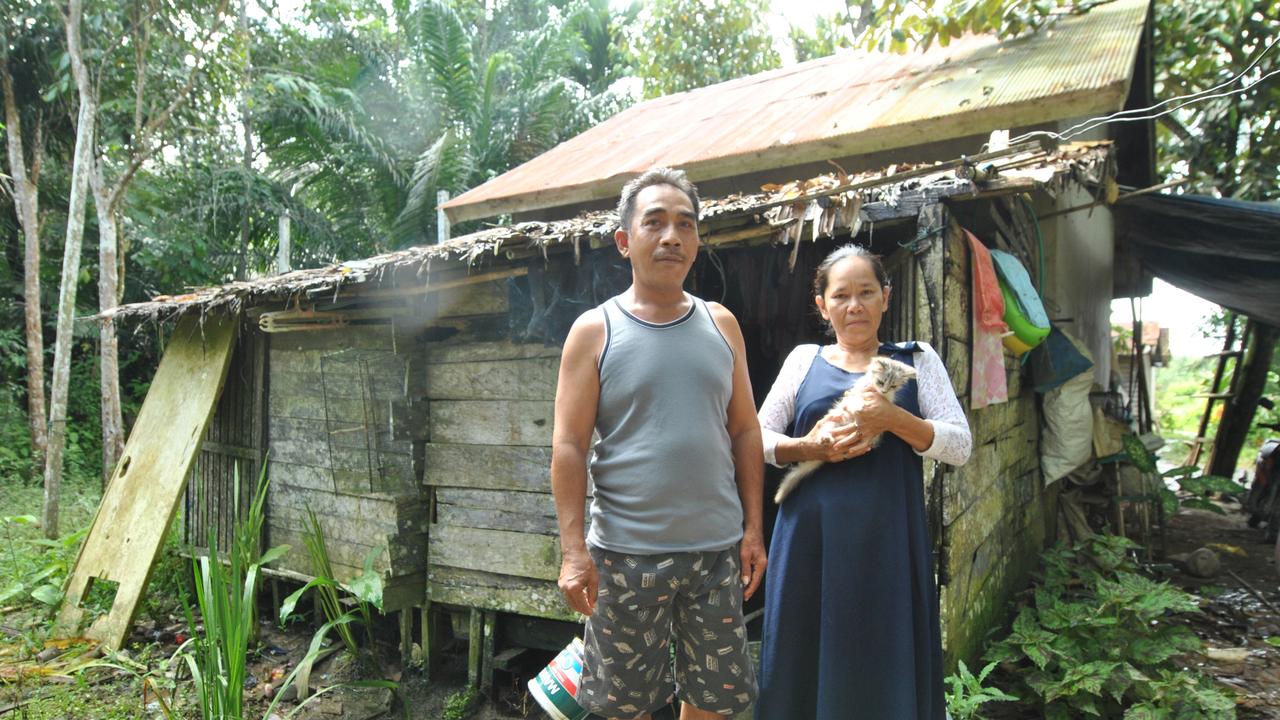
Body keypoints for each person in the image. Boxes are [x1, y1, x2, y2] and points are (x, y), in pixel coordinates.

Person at [551, 167, 767, 720]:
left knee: (714, 702)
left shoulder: (722, 324)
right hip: (625, 554)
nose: (671, 236)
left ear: (696, 241)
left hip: (714, 552)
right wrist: (575, 552)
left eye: (685, 225)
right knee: (625, 708)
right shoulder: (594, 331)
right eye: (655, 223)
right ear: (625, 241)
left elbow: (744, 429)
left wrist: (752, 529)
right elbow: (569, 446)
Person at [753, 244, 972, 720]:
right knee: (803, 653)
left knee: (880, 654)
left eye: (867, 292)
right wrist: (809, 448)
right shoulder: (803, 361)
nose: (855, 306)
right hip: (811, 542)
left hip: (887, 540)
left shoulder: (918, 360)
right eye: (842, 295)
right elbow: (757, 439)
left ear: (886, 298)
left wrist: (892, 418)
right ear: (822, 305)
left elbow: (960, 446)